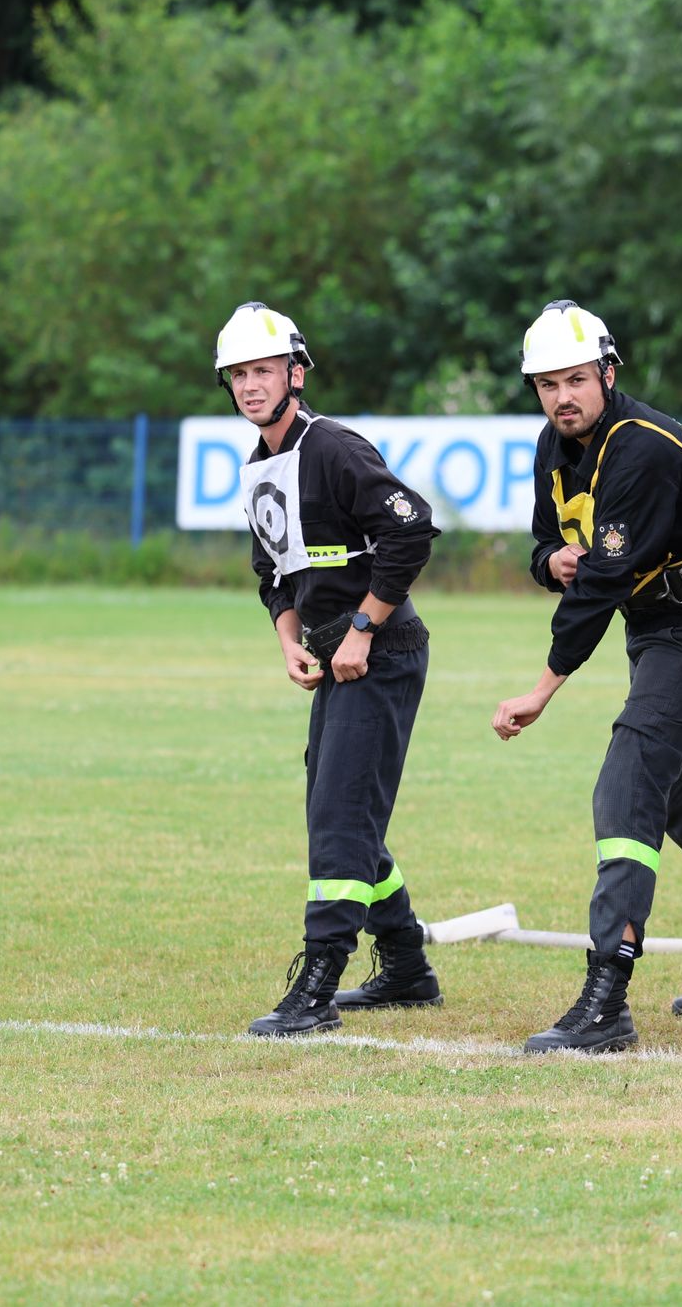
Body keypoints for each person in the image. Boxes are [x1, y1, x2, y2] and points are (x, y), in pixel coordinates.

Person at [493, 300, 682, 1055]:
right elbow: (550, 543)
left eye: (576, 379)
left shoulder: (641, 447)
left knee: (627, 783)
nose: (562, 397)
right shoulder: (557, 443)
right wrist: (549, 560)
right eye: (547, 384)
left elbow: (602, 583)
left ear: (608, 373)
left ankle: (606, 997)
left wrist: (543, 688)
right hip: (654, 632)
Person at [219, 302, 443, 1037]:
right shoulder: (258, 467)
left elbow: (411, 529)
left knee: (340, 816)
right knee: (339, 809)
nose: (251, 386)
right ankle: (407, 964)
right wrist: (291, 639)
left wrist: (360, 628)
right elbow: (272, 572)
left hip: (382, 654)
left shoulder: (333, 447)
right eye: (238, 374)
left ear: (295, 372)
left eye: (262, 370)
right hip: (339, 656)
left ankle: (317, 985)